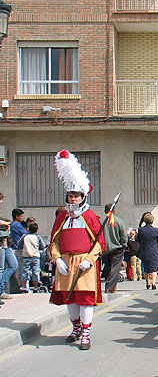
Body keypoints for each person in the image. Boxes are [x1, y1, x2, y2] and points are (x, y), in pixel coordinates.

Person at [49, 150, 105, 350]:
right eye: (70, 195)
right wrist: (57, 259)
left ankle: (86, 333)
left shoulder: (90, 216)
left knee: (85, 299)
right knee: (69, 298)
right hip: (65, 263)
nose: (72, 199)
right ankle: (76, 328)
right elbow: (54, 242)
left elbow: (99, 243)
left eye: (76, 196)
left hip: (84, 264)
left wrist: (89, 260)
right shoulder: (61, 217)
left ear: (82, 196)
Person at [102, 203, 127, 293]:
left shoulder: (102, 222)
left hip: (105, 249)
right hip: (117, 248)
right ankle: (110, 286)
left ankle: (109, 285)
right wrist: (124, 244)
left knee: (108, 267)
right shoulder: (119, 221)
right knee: (115, 268)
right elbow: (124, 235)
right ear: (114, 210)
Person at [17, 222, 46, 292]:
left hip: (26, 256)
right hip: (35, 257)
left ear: (28, 229)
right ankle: (36, 287)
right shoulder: (37, 237)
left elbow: (19, 245)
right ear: (36, 230)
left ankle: (25, 287)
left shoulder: (24, 236)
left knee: (25, 272)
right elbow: (43, 246)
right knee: (36, 271)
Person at [0, 193, 18, 303]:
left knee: (13, 265)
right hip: (1, 244)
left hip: (6, 243)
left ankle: (1, 286)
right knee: (1, 268)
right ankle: (1, 291)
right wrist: (5, 223)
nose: (1, 202)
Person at [137, 212, 158, 290]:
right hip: (153, 251)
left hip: (144, 251)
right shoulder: (156, 230)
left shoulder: (140, 230)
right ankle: (153, 283)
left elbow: (138, 240)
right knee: (154, 269)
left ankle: (147, 283)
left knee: (146, 268)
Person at [10, 208, 28, 290]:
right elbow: (26, 234)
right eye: (21, 216)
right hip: (19, 249)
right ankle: (21, 286)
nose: (22, 218)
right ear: (16, 216)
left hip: (15, 248)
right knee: (21, 268)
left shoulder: (12, 225)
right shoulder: (17, 225)